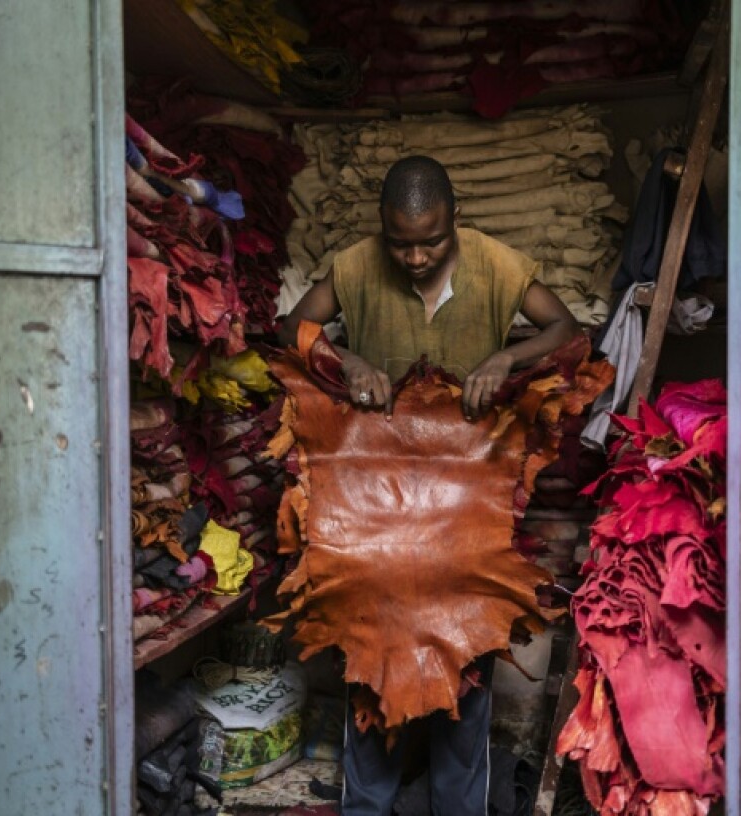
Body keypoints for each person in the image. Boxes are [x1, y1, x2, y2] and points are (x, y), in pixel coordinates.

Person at [279, 156, 580, 815]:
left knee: (465, 671)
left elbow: (566, 329)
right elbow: (289, 328)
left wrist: (507, 357)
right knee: (371, 669)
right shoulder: (356, 265)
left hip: (467, 499)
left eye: (431, 241)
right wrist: (344, 357)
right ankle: (366, 809)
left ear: (456, 221)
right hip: (372, 497)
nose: (415, 256)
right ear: (382, 231)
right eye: (401, 242)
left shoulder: (498, 264)